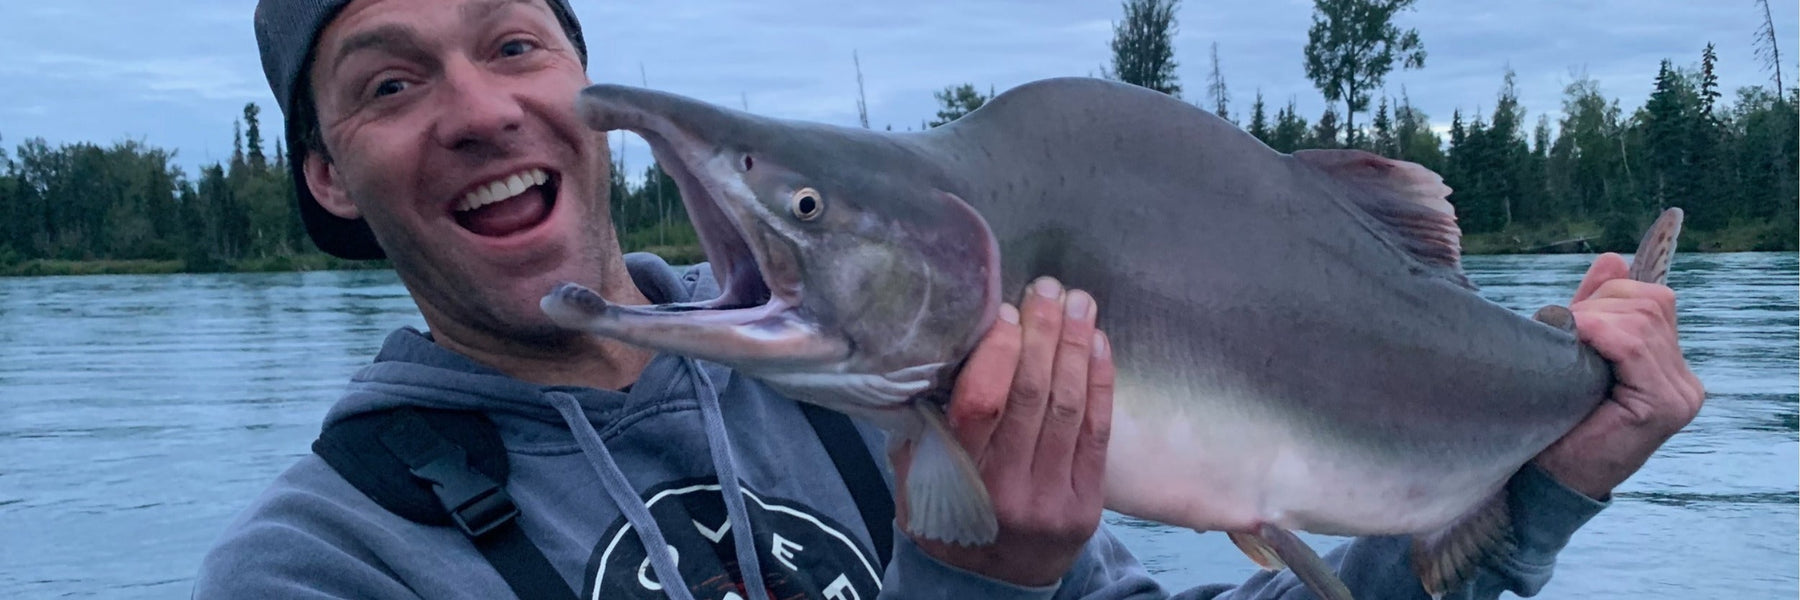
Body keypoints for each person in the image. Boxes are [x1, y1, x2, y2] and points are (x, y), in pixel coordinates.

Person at [195, 0, 1706, 598]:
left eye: (513, 44)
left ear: (582, 93)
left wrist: (1545, 491)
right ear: (327, 174)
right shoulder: (328, 561)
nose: (476, 107)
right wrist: (980, 586)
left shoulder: (880, 404)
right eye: (391, 81)